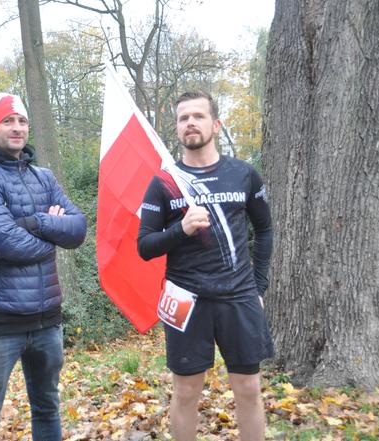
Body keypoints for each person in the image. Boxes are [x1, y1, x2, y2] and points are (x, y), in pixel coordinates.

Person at [137, 91, 274, 441]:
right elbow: (145, 247)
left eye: (198, 116)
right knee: (185, 392)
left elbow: (265, 229)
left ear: (215, 124)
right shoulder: (164, 183)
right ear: (177, 128)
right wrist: (179, 230)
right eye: (183, 118)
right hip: (186, 299)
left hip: (239, 296)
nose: (190, 123)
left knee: (248, 388)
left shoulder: (243, 175)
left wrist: (258, 286)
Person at [0, 93, 87, 441]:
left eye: (22, 120)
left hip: (47, 319)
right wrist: (51, 230)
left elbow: (77, 229)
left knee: (47, 406)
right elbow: (5, 244)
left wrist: (30, 222)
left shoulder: (44, 177)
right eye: (8, 121)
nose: (17, 128)